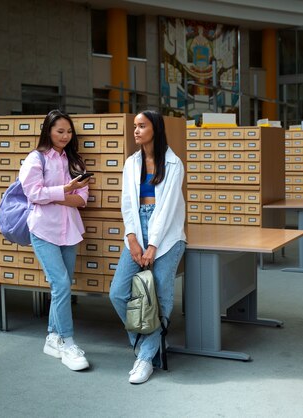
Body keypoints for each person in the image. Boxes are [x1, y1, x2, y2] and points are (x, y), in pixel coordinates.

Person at [109, 110, 186, 384]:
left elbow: (165, 211)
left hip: (167, 236)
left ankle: (144, 358)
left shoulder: (174, 164)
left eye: (142, 126)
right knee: (118, 293)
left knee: (161, 297)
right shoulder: (131, 163)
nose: (136, 131)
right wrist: (132, 238)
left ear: (155, 128)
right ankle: (146, 346)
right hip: (137, 231)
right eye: (135, 127)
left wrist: (152, 245)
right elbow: (127, 203)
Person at [19, 109, 91, 371]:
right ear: (48, 130)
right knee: (61, 284)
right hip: (44, 230)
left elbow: (82, 200)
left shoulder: (75, 161)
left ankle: (52, 337)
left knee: (61, 287)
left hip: (70, 230)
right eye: (60, 131)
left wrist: (62, 194)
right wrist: (65, 190)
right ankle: (69, 343)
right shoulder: (35, 159)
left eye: (69, 131)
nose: (65, 136)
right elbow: (33, 194)